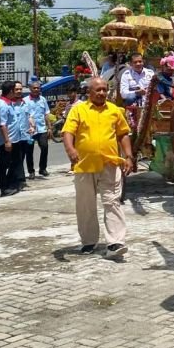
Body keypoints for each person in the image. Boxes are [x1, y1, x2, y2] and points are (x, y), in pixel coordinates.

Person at [62, 77, 134, 258]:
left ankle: (115, 242)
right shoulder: (78, 110)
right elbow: (68, 132)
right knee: (85, 205)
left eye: (105, 89)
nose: (102, 93)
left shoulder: (115, 111)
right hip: (84, 165)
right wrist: (70, 150)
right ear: (89, 92)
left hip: (109, 164)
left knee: (112, 202)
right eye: (98, 90)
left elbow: (123, 134)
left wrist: (129, 156)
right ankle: (89, 241)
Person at [0, 80, 21, 196]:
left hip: (14, 139)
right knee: (5, 164)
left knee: (13, 163)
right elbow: (2, 124)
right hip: (7, 141)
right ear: (10, 91)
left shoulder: (9, 103)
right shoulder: (2, 105)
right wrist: (7, 141)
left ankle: (11, 184)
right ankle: (4, 187)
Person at [25, 81, 51, 178]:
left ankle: (42, 168)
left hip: (41, 129)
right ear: (30, 89)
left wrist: (49, 127)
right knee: (29, 151)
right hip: (30, 131)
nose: (36, 89)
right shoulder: (25, 100)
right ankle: (31, 171)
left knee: (44, 147)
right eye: (34, 88)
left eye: (38, 88)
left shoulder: (43, 99)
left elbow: (46, 114)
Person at [12, 81, 34, 187]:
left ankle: (19, 178)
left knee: (22, 157)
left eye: (20, 89)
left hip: (24, 135)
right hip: (14, 137)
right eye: (17, 89)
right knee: (16, 158)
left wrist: (32, 126)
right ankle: (18, 179)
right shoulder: (9, 104)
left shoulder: (25, 103)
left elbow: (29, 116)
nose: (19, 91)